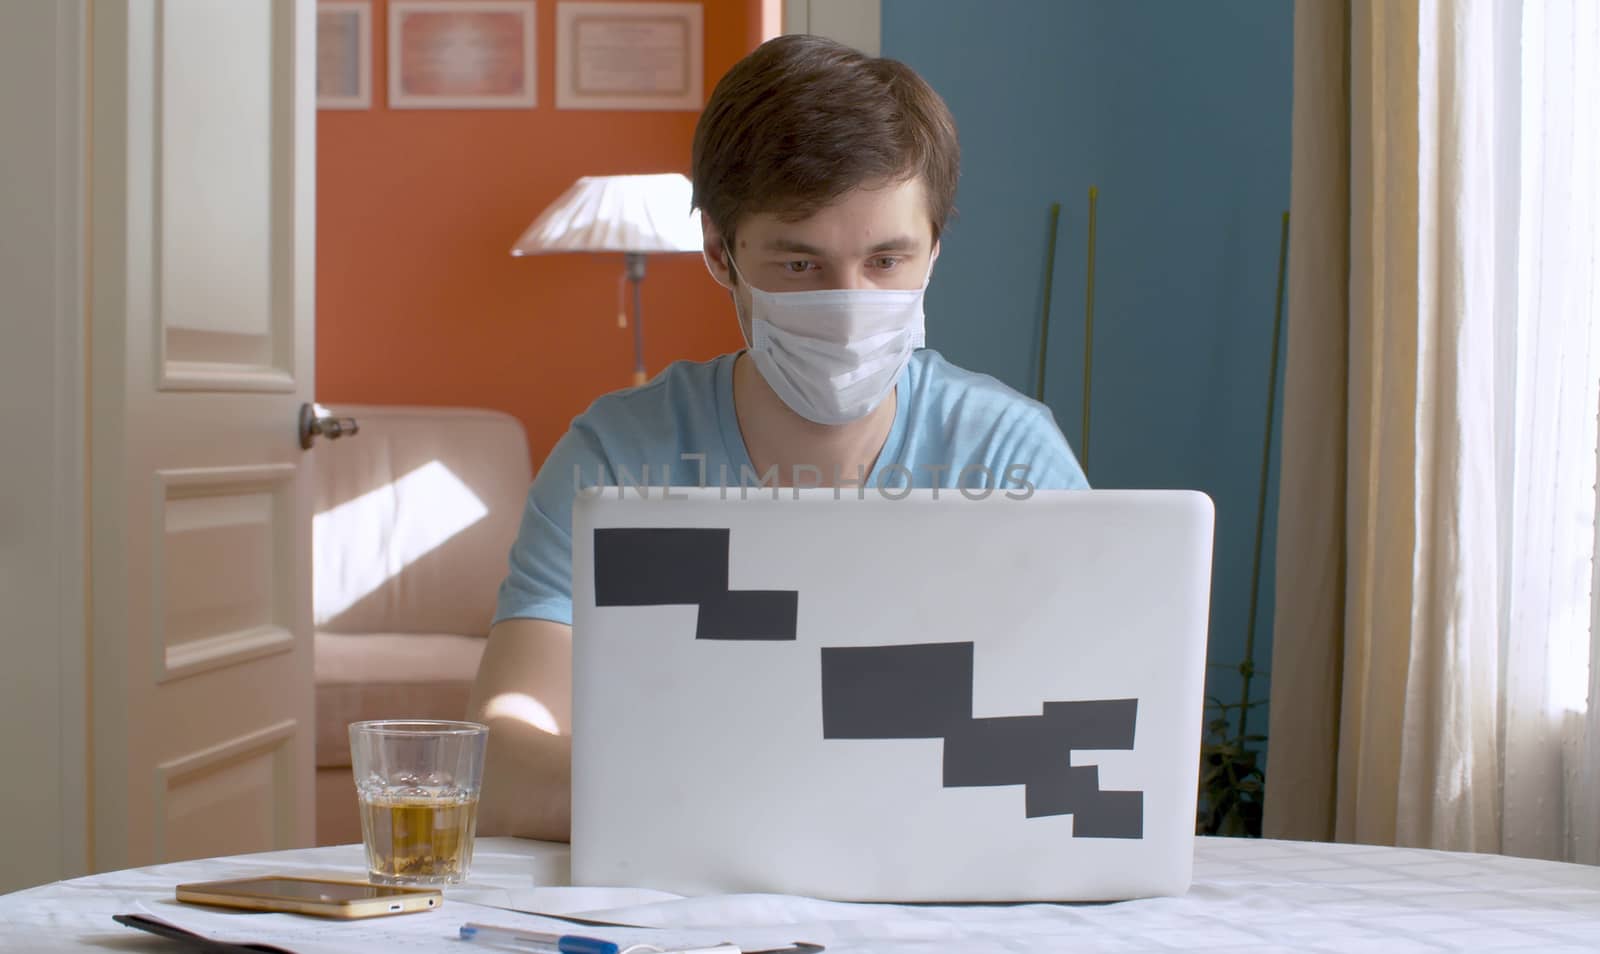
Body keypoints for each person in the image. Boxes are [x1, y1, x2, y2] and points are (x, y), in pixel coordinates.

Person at [465, 33, 1089, 842]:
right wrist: (774, 809)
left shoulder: (1010, 457)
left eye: (887, 260)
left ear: (934, 249)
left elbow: (1085, 749)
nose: (849, 301)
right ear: (721, 254)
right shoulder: (617, 457)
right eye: (801, 266)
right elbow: (506, 762)